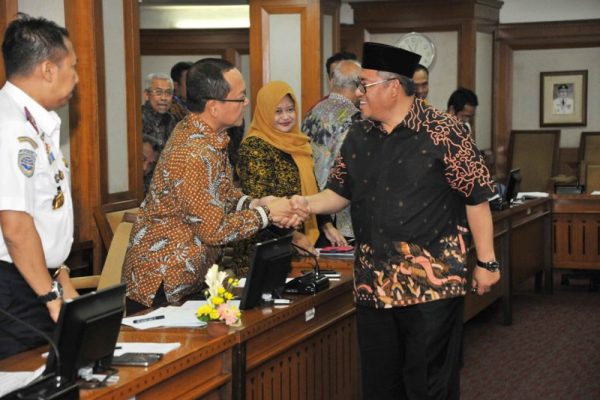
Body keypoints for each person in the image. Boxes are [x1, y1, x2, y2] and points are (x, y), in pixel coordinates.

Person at [291, 42, 500, 399]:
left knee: (428, 386)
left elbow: (476, 200)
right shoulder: (358, 133)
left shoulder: (445, 131)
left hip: (431, 285)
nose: (358, 93)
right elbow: (340, 191)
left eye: (365, 85)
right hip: (373, 285)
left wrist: (487, 261)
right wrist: (303, 203)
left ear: (392, 86)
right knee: (380, 387)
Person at [124, 59, 306, 315]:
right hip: (162, 282)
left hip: (186, 275)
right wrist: (267, 214)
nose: (246, 103)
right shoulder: (194, 152)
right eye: (239, 98)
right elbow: (214, 230)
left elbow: (220, 192)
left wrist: (256, 203)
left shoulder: (208, 135)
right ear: (213, 107)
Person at [0, 14, 79, 359]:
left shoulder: (33, 122)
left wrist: (61, 278)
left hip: (39, 279)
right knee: (28, 384)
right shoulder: (9, 127)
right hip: (17, 288)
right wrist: (49, 296)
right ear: (48, 69)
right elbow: (16, 227)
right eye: (72, 67)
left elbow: (48, 209)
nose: (76, 78)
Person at [236, 81, 346, 257]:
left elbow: (312, 188)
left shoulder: (300, 143)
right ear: (265, 112)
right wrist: (292, 236)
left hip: (305, 240)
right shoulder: (254, 146)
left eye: (290, 109)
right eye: (277, 111)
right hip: (270, 246)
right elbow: (259, 202)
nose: (286, 117)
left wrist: (326, 225)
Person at [302, 60, 361, 240]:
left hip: (312, 203)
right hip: (341, 210)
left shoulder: (312, 112)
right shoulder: (356, 118)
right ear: (359, 87)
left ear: (331, 82)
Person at [142, 72, 178, 150]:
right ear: (146, 95)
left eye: (168, 93)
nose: (164, 98)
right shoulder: (136, 119)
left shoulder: (172, 120)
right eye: (158, 92)